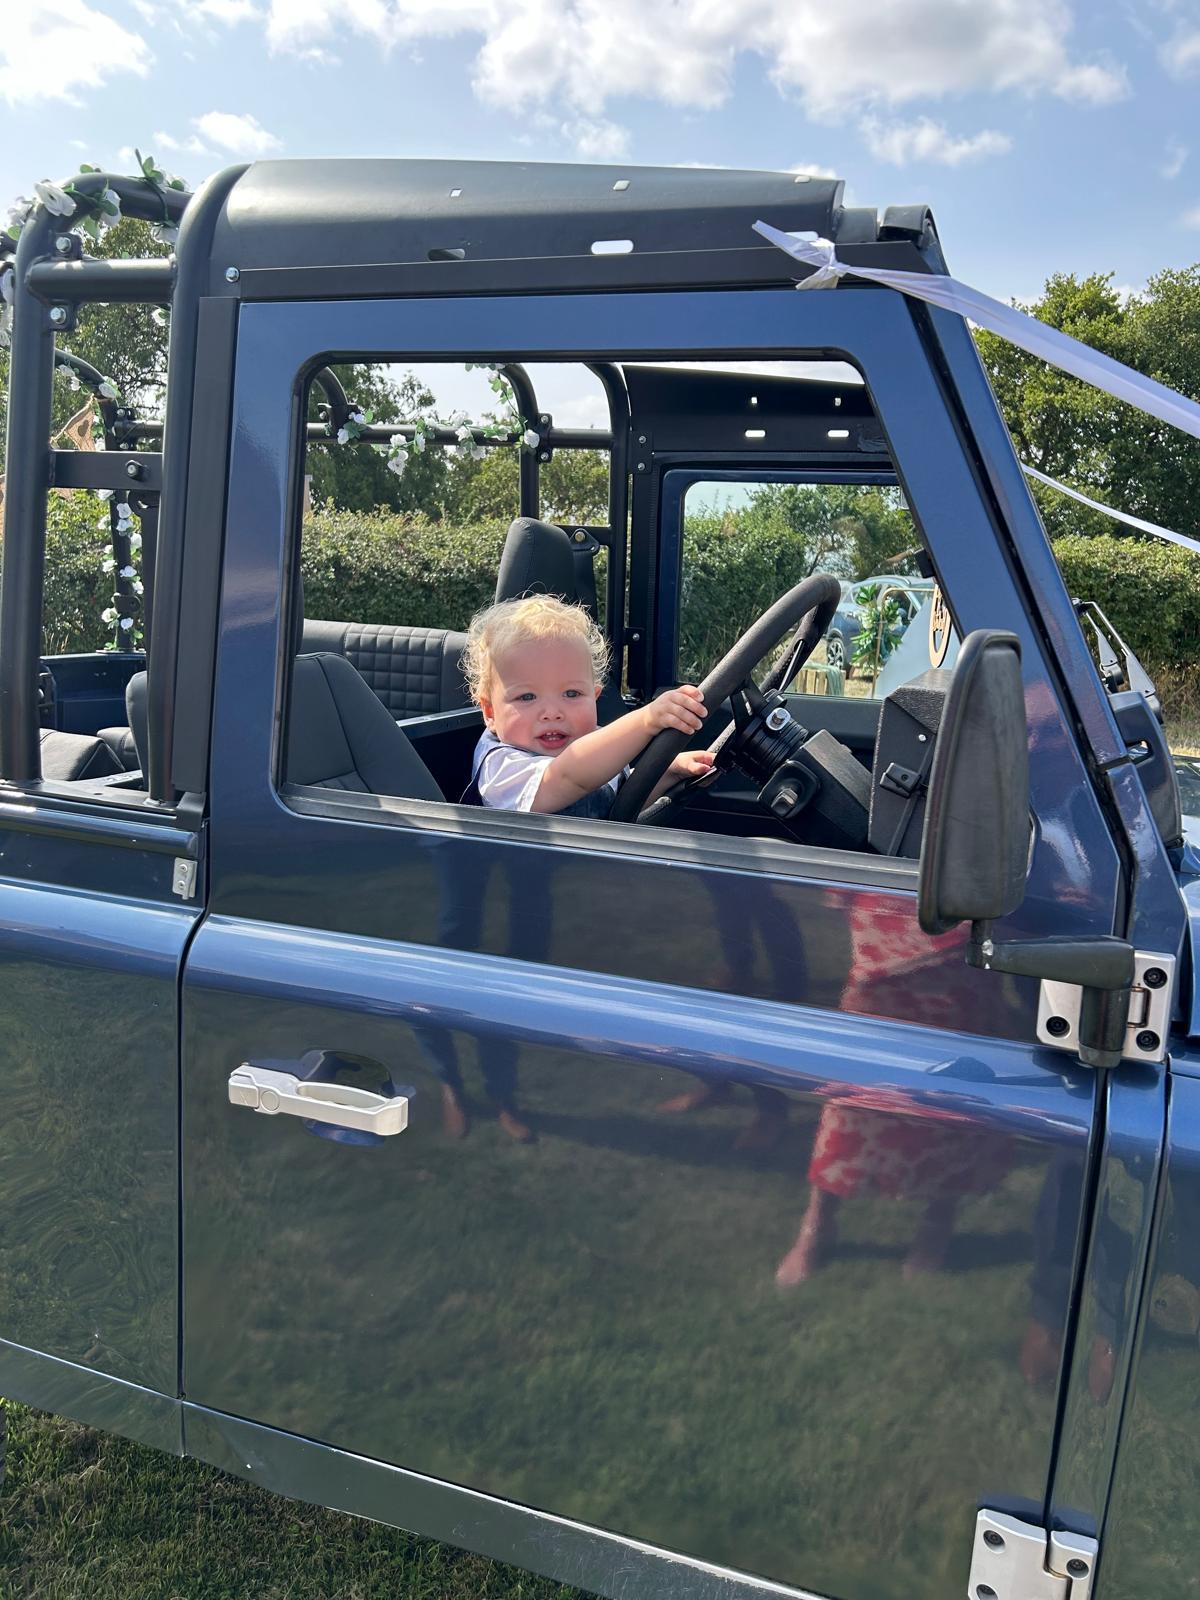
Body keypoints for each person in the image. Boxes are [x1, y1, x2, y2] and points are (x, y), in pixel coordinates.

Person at [461, 594, 715, 817]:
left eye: (571, 693)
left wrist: (668, 772)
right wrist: (646, 720)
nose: (552, 713)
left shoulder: (592, 747)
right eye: (527, 697)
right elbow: (568, 777)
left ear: (594, 697)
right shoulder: (503, 767)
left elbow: (622, 803)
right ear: (490, 712)